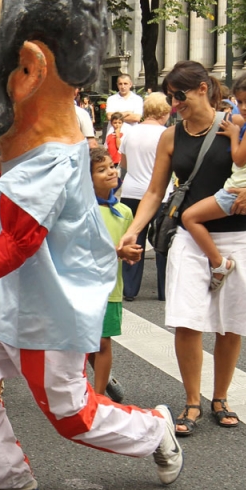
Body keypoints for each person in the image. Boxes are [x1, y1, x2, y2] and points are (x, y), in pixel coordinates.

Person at [0, 0, 183, 490]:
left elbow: (18, 240)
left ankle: (156, 429)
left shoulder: (48, 162)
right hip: (9, 300)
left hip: (48, 305)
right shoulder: (32, 150)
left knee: (72, 414)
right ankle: (7, 474)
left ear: (28, 70)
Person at [119, 60, 246, 436]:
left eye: (179, 95)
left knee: (231, 324)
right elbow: (153, 191)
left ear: (202, 88)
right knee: (186, 319)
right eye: (170, 97)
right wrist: (133, 230)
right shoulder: (171, 136)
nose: (175, 102)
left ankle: (221, 397)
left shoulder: (237, 124)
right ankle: (192, 400)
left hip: (240, 235)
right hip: (191, 239)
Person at [180, 70, 246, 290]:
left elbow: (240, 159)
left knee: (189, 217)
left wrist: (235, 135)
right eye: (241, 102)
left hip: (236, 190)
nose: (244, 108)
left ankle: (218, 263)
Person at [88, 147, 141, 402]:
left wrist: (131, 253)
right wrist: (118, 252)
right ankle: (99, 378)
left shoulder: (124, 211)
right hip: (82, 288)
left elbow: (128, 246)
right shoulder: (81, 211)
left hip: (111, 288)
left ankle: (97, 397)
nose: (110, 171)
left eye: (111, 166)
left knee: (103, 341)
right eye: (101, 169)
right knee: (84, 341)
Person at [120, 93, 172, 300]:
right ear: (164, 112)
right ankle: (164, 290)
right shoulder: (166, 134)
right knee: (162, 241)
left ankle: (130, 289)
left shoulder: (130, 133)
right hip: (160, 194)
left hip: (131, 191)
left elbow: (123, 163)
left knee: (133, 239)